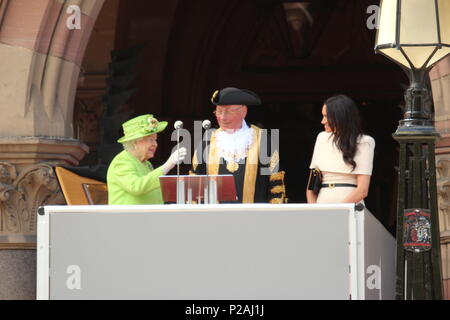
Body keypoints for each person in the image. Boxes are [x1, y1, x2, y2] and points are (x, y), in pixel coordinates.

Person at [191, 87, 287, 203]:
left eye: (227, 112)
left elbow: (275, 183)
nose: (222, 117)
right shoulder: (208, 140)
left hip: (254, 218)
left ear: (243, 112)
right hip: (215, 218)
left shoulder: (262, 138)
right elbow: (195, 184)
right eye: (219, 112)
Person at [306, 94, 375, 205]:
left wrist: (339, 211)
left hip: (350, 208)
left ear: (341, 117)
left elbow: (362, 190)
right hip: (322, 206)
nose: (322, 121)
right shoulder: (321, 138)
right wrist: (314, 210)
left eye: (326, 116)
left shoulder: (365, 141)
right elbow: (311, 187)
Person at [107, 114, 186, 205]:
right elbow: (136, 187)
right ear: (135, 142)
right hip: (128, 218)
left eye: (155, 140)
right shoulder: (121, 161)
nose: (155, 144)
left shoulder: (146, 164)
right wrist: (168, 165)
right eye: (150, 139)